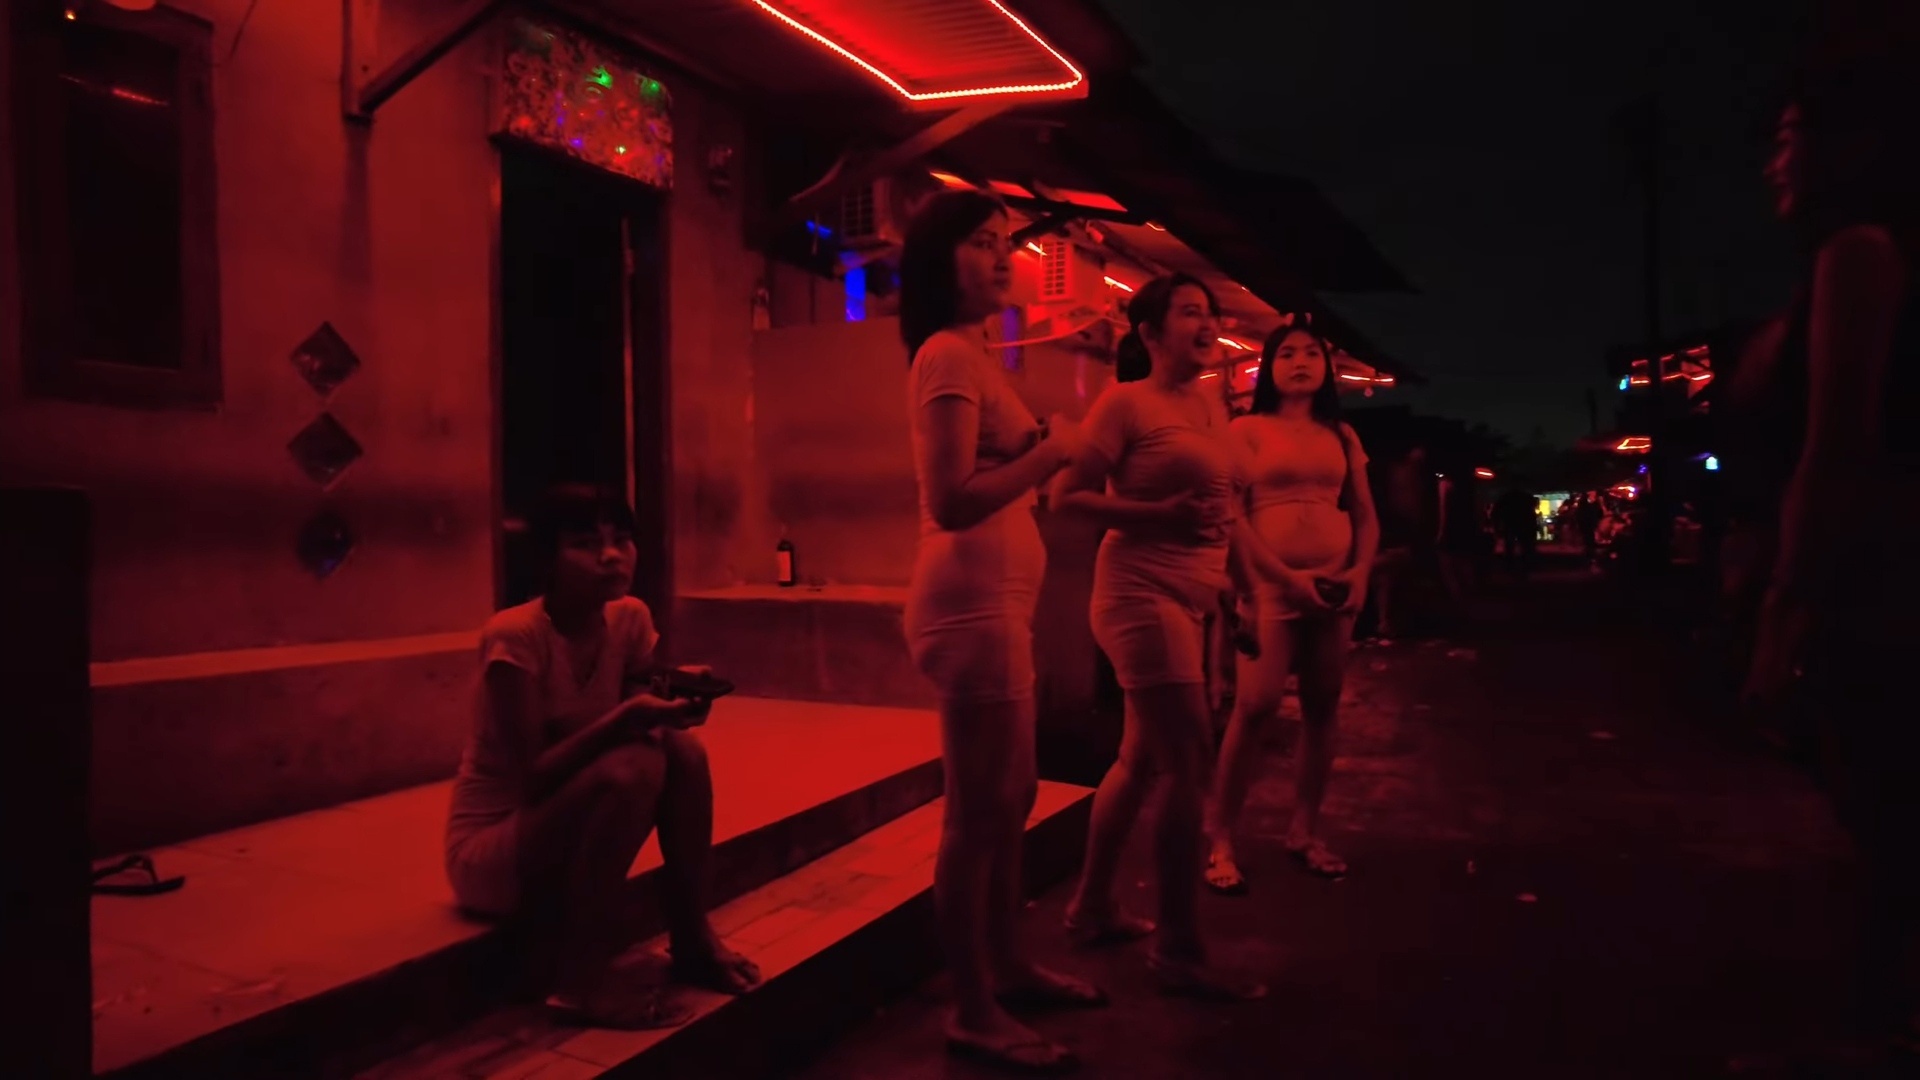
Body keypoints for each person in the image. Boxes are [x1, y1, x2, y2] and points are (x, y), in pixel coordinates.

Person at [1739, 56, 1920, 1062]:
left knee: (1887, 811)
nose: (1776, 161)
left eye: (1789, 137)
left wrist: (1785, 607)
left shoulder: (1859, 254)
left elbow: (1837, 446)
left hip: (1878, 581)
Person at [899, 189, 1100, 1074]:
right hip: (969, 608)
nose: (1001, 257)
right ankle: (973, 1009)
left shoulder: (973, 354)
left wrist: (1038, 451)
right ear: (939, 261)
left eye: (1004, 242)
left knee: (1011, 799)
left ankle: (1009, 966)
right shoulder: (946, 354)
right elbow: (952, 500)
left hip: (998, 608)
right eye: (981, 242)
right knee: (977, 815)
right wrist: (1051, 451)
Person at [443, 484, 760, 1030]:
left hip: (560, 826)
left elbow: (638, 710)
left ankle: (692, 937)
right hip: (495, 848)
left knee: (681, 752)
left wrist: (673, 693)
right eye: (586, 543)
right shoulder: (515, 637)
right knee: (633, 769)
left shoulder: (629, 618)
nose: (612, 555)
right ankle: (579, 979)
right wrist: (628, 717)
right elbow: (533, 778)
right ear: (547, 559)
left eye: (621, 539)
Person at [1052, 273, 1272, 1001]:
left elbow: (1223, 512)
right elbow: (1067, 497)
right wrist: (1157, 515)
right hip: (1137, 594)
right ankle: (1178, 946)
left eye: (1210, 313)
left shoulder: (1210, 405)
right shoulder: (1125, 403)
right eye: (1188, 313)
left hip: (1195, 598)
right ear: (1149, 334)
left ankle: (1091, 908)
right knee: (1189, 761)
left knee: (1141, 758)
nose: (1207, 324)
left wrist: (1240, 593)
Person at [1204, 315, 1379, 891]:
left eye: (1310, 353)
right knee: (1254, 707)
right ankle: (1221, 837)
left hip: (1334, 587)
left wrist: (1360, 572)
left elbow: (1364, 513)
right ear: (1268, 368)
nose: (1299, 362)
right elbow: (1232, 517)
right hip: (1268, 587)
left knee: (1322, 707)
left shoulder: (1342, 435)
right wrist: (1280, 578)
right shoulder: (1246, 430)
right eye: (1286, 354)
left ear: (1327, 367)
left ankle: (1305, 831)